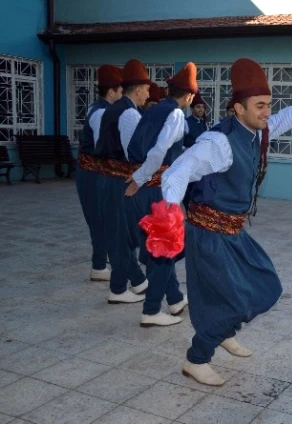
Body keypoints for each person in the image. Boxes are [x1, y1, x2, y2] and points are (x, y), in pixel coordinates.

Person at [158, 57, 292, 386]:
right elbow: (176, 172)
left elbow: (286, 117)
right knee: (232, 299)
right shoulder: (218, 143)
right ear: (238, 109)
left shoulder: (257, 130)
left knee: (267, 286)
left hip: (234, 232)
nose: (267, 112)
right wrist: (170, 215)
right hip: (209, 234)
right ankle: (196, 359)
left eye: (268, 104)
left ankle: (223, 331)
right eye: (259, 106)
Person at [124, 62, 198, 326]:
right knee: (166, 250)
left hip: (144, 190)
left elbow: (134, 146)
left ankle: (175, 298)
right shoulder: (176, 115)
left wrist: (137, 177)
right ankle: (152, 310)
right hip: (157, 192)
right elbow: (158, 152)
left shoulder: (152, 112)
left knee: (158, 247)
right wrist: (141, 178)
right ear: (189, 96)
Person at [93, 58, 151, 304]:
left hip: (109, 179)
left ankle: (135, 283)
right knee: (123, 236)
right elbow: (134, 153)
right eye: (147, 89)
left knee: (122, 234)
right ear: (137, 89)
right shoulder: (128, 113)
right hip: (118, 182)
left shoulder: (114, 109)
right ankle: (118, 290)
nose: (148, 94)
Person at [75, 64, 122, 282]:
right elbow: (103, 147)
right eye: (120, 91)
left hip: (96, 171)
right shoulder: (101, 113)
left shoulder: (101, 109)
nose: (122, 95)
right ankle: (99, 266)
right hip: (92, 173)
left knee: (106, 217)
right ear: (111, 91)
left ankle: (105, 258)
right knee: (98, 218)